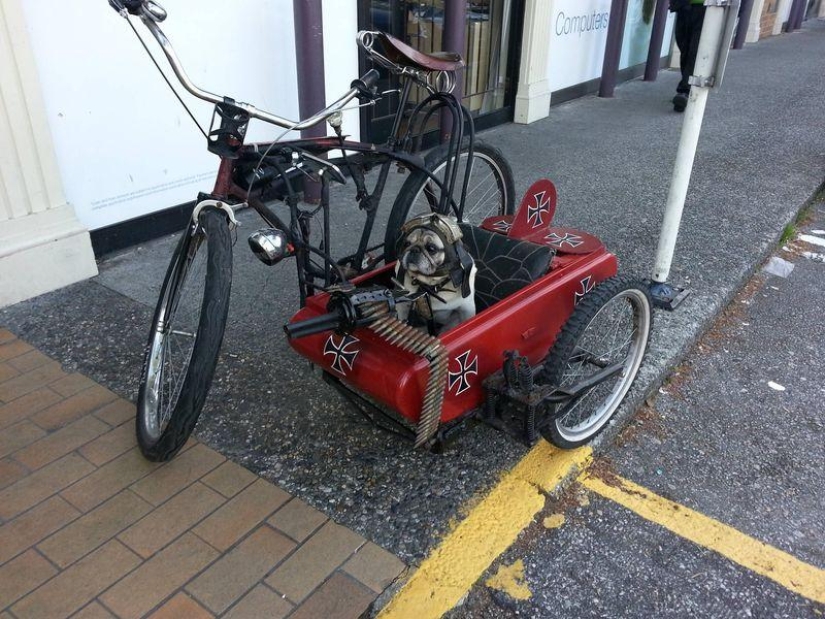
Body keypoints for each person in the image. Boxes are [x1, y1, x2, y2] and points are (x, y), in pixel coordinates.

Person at [670, 0, 706, 112]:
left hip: (707, 7)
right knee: (684, 48)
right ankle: (687, 86)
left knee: (694, 50)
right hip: (683, 5)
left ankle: (685, 90)